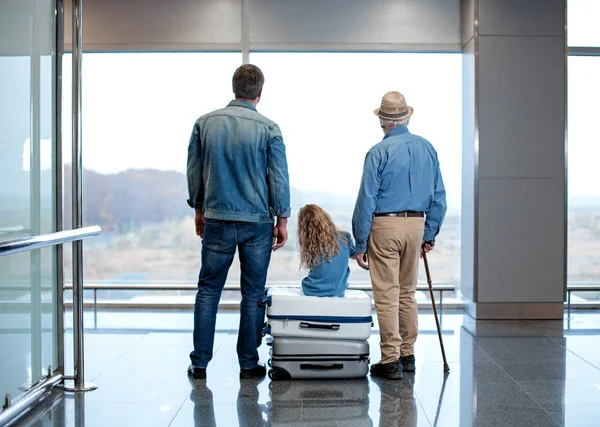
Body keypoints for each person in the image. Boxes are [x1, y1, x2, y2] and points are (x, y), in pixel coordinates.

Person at [186, 64, 291, 380]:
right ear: (260, 92)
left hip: (217, 218)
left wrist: (199, 209)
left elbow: (194, 171)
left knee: (208, 291)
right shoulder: (269, 128)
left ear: (234, 89)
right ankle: (248, 363)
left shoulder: (205, 123)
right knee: (253, 292)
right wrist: (282, 218)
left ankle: (200, 362)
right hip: (257, 222)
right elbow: (279, 176)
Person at [352, 91, 446, 380]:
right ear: (407, 118)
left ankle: (390, 360)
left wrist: (360, 242)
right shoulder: (427, 148)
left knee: (387, 293)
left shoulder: (378, 152)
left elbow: (366, 199)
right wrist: (429, 234)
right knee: (407, 293)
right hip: (416, 225)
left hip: (385, 225)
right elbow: (439, 196)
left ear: (382, 121)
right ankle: (408, 355)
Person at [297, 204, 357, 298]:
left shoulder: (311, 244)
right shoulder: (345, 237)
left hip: (313, 290)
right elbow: (355, 255)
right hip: (338, 290)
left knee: (305, 282)